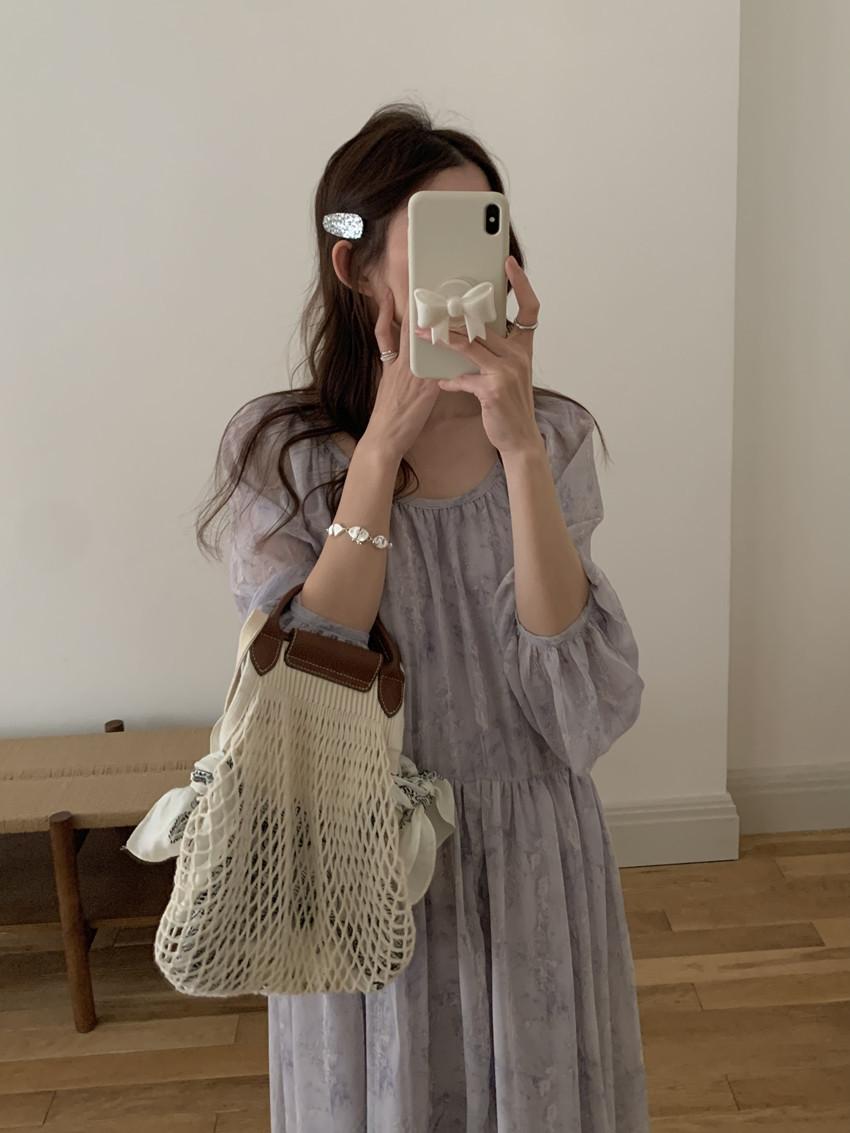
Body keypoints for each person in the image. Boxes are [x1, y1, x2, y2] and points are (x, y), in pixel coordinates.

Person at [196, 101, 649, 1133]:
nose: (470, 270)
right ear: (354, 268)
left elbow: (573, 704)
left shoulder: (554, 435)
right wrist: (380, 452)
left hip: (533, 850)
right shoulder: (281, 451)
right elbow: (313, 669)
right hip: (358, 849)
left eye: (487, 232)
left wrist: (519, 448)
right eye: (436, 239)